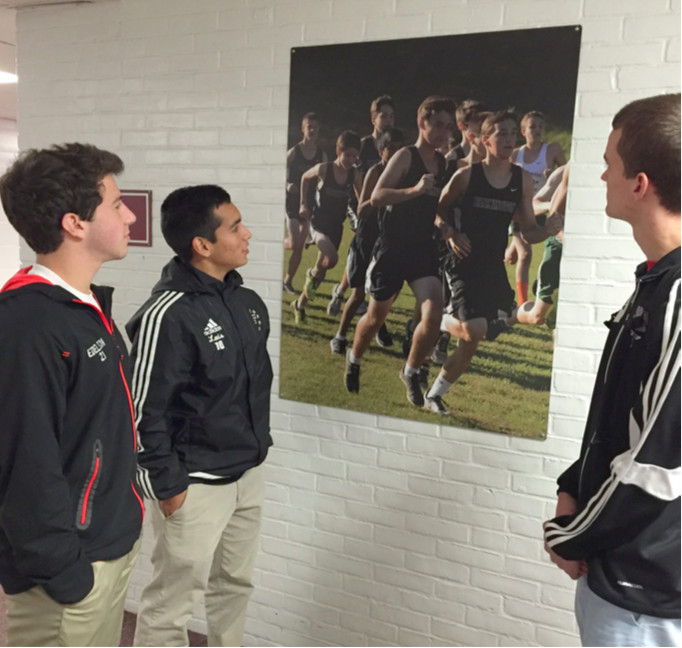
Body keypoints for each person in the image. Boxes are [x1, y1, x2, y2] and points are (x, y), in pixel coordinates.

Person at [543, 93, 680, 647]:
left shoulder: (676, 298)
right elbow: (623, 417)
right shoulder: (653, 282)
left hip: (644, 599)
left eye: (609, 163)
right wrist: (571, 485)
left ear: (640, 184)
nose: (600, 174)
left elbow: (657, 469)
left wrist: (569, 535)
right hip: (622, 579)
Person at [0, 143, 143, 647]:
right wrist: (67, 576)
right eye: (116, 204)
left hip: (107, 547)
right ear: (75, 223)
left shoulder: (84, 309)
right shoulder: (26, 325)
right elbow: (25, 468)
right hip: (65, 578)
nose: (129, 215)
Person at [128, 185, 273, 647]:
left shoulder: (247, 304)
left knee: (234, 587)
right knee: (172, 605)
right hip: (192, 488)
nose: (247, 233)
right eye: (235, 226)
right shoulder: (166, 314)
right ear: (202, 245)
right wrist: (168, 488)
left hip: (246, 477)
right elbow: (139, 411)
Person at [423, 111, 562, 415]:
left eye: (513, 133)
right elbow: (438, 211)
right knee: (474, 330)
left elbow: (529, 230)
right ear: (484, 140)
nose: (509, 138)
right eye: (501, 133)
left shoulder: (522, 179)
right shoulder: (466, 175)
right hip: (460, 259)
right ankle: (433, 322)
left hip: (492, 264)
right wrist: (452, 234)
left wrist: (552, 230)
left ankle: (433, 396)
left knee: (474, 340)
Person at [344, 95, 457, 407]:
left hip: (424, 249)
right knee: (374, 318)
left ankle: (410, 371)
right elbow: (377, 196)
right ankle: (354, 359)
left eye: (448, 127)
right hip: (392, 248)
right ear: (422, 123)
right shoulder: (406, 156)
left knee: (433, 314)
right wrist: (415, 189)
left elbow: (437, 208)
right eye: (437, 125)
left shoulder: (443, 163)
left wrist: (443, 224)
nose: (443, 133)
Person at [330, 127, 405, 355]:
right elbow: (362, 209)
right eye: (390, 149)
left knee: (387, 293)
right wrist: (379, 199)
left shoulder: (404, 175)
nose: (394, 154)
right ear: (381, 150)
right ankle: (340, 335)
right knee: (359, 295)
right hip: (366, 239)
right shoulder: (375, 172)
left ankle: (378, 326)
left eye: (399, 150)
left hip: (387, 242)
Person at [327, 96, 396, 314]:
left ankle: (343, 291)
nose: (388, 120)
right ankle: (351, 295)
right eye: (383, 115)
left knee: (372, 249)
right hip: (359, 203)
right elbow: (346, 169)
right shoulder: (364, 144)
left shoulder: (394, 146)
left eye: (392, 116)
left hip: (382, 206)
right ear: (373, 118)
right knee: (362, 246)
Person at [292, 130, 362, 323]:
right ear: (338, 151)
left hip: (336, 228)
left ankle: (300, 304)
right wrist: (303, 204)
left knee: (321, 272)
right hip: (318, 224)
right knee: (331, 258)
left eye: (355, 156)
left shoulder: (354, 174)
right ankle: (311, 275)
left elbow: (362, 198)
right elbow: (305, 177)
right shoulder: (324, 169)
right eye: (348, 154)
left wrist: (365, 213)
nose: (351, 159)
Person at [506, 111, 567, 305]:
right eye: (533, 126)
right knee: (525, 254)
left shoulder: (552, 150)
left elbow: (566, 175)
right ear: (523, 131)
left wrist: (552, 176)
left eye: (541, 126)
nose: (538, 130)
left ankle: (511, 249)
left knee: (520, 254)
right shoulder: (516, 154)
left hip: (544, 208)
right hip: (521, 209)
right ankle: (524, 303)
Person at [512, 163, 568, 334]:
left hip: (584, 251)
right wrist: (551, 207)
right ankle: (507, 317)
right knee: (538, 316)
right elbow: (533, 205)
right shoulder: (565, 172)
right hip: (559, 245)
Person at [283, 112, 327, 294]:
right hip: (292, 203)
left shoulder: (321, 155)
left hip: (309, 206)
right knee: (294, 243)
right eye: (309, 127)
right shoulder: (294, 152)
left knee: (299, 246)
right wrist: (287, 185)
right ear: (303, 128)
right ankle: (281, 242)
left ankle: (287, 282)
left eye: (315, 127)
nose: (312, 130)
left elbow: (324, 180)